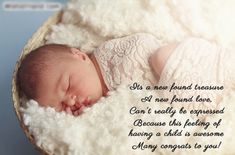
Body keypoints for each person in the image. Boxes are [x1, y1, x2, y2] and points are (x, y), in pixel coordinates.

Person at [18, 33, 235, 116]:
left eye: (66, 86)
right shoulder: (99, 110)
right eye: (60, 106)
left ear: (79, 55)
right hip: (179, 93)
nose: (70, 101)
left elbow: (142, 45)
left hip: (180, 59)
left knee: (161, 58)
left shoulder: (105, 55)